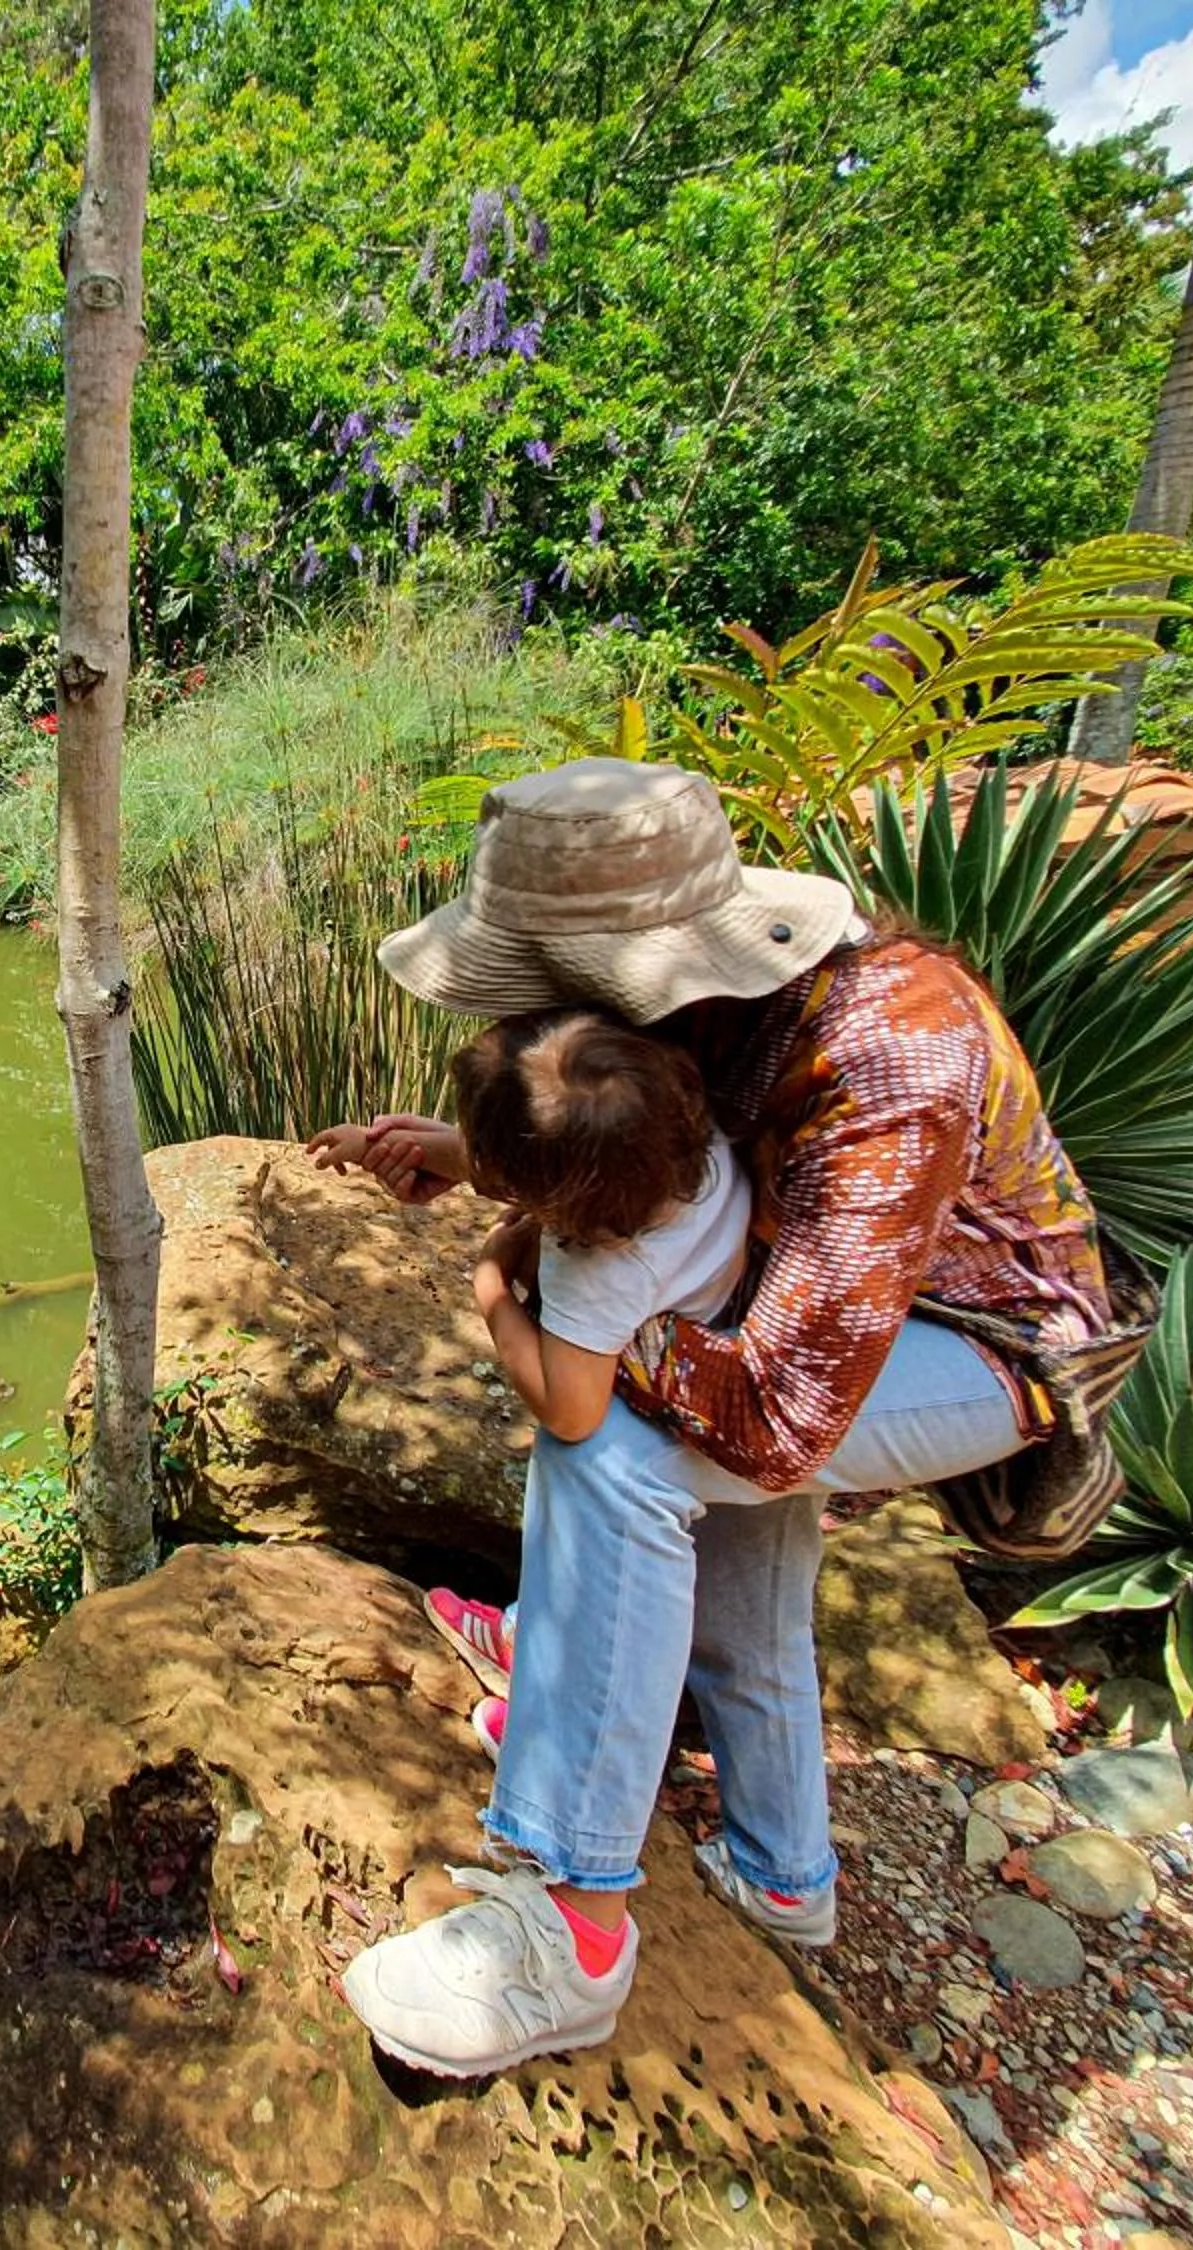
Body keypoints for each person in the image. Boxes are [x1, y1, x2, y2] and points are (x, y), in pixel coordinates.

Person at [314, 758, 1114, 2082]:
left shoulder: (887, 1055)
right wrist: (488, 1162)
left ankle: (569, 1919)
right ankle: (781, 1869)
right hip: (816, 1307)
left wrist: (563, 1315)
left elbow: (780, 1414)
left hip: (985, 1346)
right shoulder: (720, 1022)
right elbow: (684, 1185)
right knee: (731, 1546)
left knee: (616, 1449)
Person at [314, 1005, 753, 1755]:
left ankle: (563, 1707)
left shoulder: (600, 1269)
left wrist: (492, 1286)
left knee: (582, 1477)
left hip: (671, 1428)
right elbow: (555, 1149)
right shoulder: (684, 1146)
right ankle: (529, 1631)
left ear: (553, 1207)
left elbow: (568, 1406)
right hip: (717, 1348)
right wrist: (416, 1149)